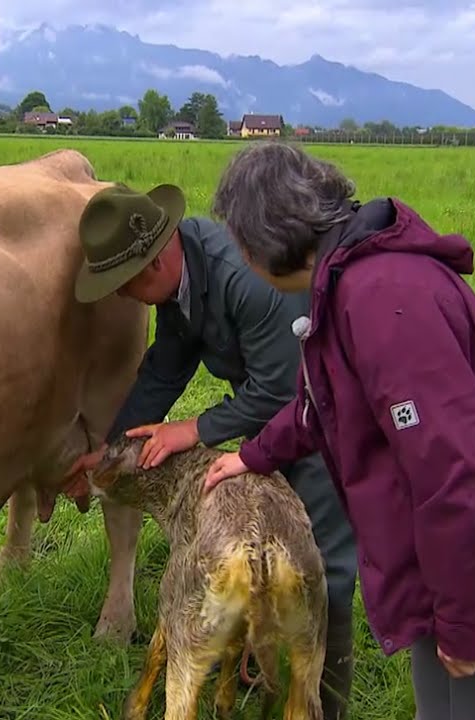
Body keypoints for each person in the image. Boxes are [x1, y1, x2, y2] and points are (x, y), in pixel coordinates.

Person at [201, 141, 475, 720]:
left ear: (269, 238)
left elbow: (457, 469)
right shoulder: (348, 278)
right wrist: (255, 454)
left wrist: (461, 620)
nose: (240, 258)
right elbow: (324, 401)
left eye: (240, 243)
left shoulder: (379, 298)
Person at [62, 182, 358, 718]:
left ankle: (324, 702)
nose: (120, 299)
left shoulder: (244, 280)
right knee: (260, 533)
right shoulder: (184, 275)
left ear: (148, 268)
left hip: (327, 414)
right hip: (283, 409)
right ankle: (257, 648)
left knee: (320, 562)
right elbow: (165, 368)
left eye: (120, 287)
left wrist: (193, 429)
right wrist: (109, 456)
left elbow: (279, 391)